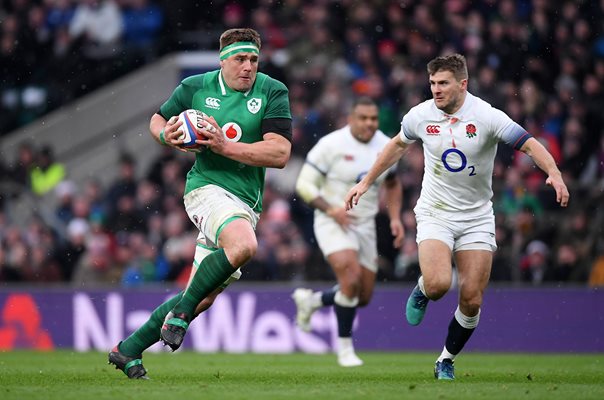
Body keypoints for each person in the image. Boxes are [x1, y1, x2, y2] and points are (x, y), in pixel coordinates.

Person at [345, 54, 569, 380]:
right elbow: (396, 146)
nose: (436, 89)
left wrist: (555, 173)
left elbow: (530, 144)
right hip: (435, 212)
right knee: (438, 284)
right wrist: (366, 183)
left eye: (443, 83)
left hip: (477, 216)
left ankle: (445, 359)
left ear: (462, 84)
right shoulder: (421, 115)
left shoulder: (487, 116)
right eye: (433, 83)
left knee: (472, 299)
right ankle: (423, 289)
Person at [108, 28, 292, 379]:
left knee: (201, 295)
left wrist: (225, 147)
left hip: (246, 202)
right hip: (205, 189)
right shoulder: (195, 87)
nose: (248, 67)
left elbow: (280, 152)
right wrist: (166, 135)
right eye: (240, 59)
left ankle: (127, 348)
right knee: (244, 245)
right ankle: (180, 314)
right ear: (223, 60)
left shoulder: (272, 90)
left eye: (253, 59)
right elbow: (157, 119)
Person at [292, 97, 404, 367]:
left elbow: (392, 183)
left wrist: (395, 218)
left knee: (362, 296)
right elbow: (304, 185)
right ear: (350, 119)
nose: (369, 124)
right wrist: (332, 210)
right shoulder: (330, 145)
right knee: (350, 279)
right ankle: (345, 350)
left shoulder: (386, 146)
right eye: (363, 118)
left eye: (373, 119)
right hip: (332, 220)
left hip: (365, 225)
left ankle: (312, 301)